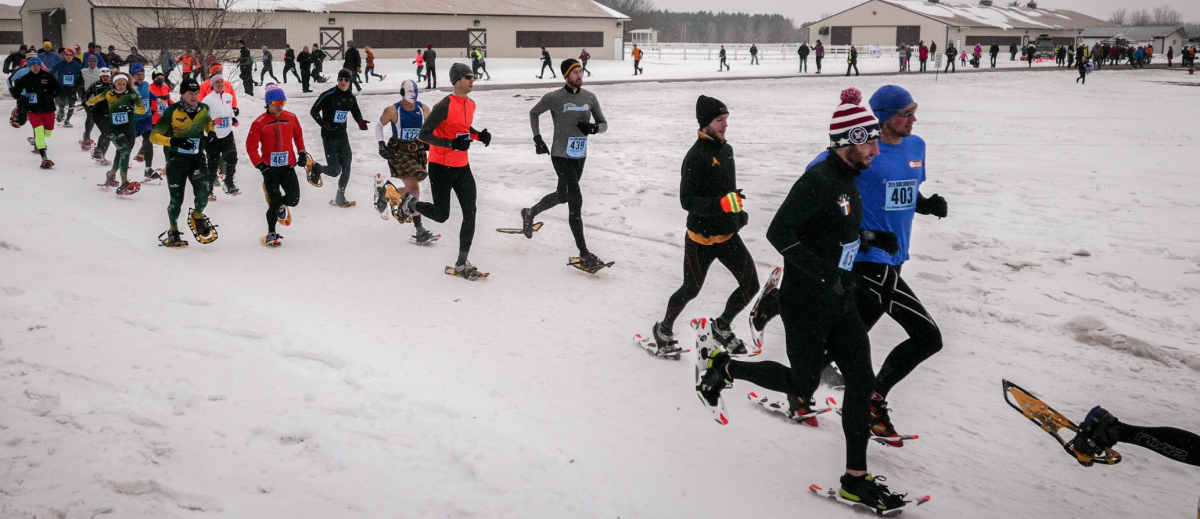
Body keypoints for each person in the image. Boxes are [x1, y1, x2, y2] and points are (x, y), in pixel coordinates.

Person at [695, 87, 908, 515]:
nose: (875, 149)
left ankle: (855, 480)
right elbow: (780, 234)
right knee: (802, 384)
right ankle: (722, 367)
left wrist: (870, 237)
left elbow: (833, 230)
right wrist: (827, 274)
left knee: (861, 382)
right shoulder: (818, 180)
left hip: (841, 298)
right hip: (806, 301)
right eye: (868, 141)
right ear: (848, 142)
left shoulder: (850, 177)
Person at [751, 85, 947, 442]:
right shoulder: (858, 156)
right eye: (906, 112)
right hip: (868, 261)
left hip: (895, 256)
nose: (913, 119)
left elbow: (904, 190)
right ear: (885, 117)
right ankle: (872, 402)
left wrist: (927, 204)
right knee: (927, 337)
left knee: (848, 342)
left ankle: (799, 386)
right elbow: (823, 181)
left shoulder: (916, 148)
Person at [648, 94, 758, 356]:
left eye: (726, 119)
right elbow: (687, 201)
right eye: (719, 120)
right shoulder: (695, 157)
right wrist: (721, 205)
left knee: (751, 285)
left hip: (727, 234)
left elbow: (728, 192)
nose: (725, 124)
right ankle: (663, 329)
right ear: (706, 122)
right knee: (691, 289)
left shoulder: (726, 150)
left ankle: (722, 326)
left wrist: (737, 214)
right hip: (701, 238)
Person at [398, 63, 492, 279]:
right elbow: (424, 134)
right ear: (457, 80)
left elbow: (463, 128)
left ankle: (461, 262)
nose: (472, 80)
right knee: (442, 215)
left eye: (473, 77)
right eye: (469, 77)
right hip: (441, 167)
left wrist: (480, 136)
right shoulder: (444, 105)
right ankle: (411, 204)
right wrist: (450, 144)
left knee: (471, 213)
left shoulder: (471, 104)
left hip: (462, 167)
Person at [519, 58, 609, 269]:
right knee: (575, 199)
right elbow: (533, 113)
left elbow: (604, 124)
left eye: (581, 71)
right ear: (566, 76)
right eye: (575, 72)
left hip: (579, 157)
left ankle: (529, 213)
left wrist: (594, 129)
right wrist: (537, 138)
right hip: (560, 155)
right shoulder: (554, 98)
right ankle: (584, 253)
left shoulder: (590, 97)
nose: (580, 75)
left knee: (562, 196)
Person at [151, 77, 217, 248]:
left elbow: (208, 121)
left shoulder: (204, 109)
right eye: (190, 93)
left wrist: (210, 132)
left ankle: (197, 215)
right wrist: (174, 142)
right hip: (176, 161)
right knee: (176, 200)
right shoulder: (172, 112)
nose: (194, 97)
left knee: (203, 195)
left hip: (197, 159)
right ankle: (173, 231)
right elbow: (154, 136)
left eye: (196, 93)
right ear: (182, 93)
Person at [247, 83, 311, 247]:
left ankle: (281, 204)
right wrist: (261, 165)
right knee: (274, 202)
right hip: (270, 169)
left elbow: (298, 136)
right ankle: (271, 233)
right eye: (276, 103)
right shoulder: (260, 122)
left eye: (283, 102)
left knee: (294, 199)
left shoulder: (291, 117)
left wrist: (302, 152)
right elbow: (251, 146)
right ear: (268, 104)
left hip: (288, 166)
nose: (280, 106)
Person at [375, 79, 436, 244]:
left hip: (418, 151)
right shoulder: (393, 110)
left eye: (415, 94)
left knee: (411, 189)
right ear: (402, 93)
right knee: (415, 189)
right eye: (410, 93)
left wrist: (431, 143)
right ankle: (419, 230)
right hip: (399, 151)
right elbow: (379, 126)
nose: (413, 97)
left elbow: (431, 129)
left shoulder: (424, 109)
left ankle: (386, 192)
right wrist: (381, 145)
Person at [310, 68, 369, 207]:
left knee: (347, 168)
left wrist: (360, 122)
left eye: (346, 80)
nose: (343, 82)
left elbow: (355, 111)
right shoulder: (328, 95)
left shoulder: (350, 97)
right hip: (329, 136)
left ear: (350, 82)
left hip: (342, 136)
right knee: (335, 170)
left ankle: (340, 196)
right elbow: (314, 111)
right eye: (340, 79)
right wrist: (324, 124)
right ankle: (317, 168)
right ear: (337, 80)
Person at [86, 73, 147, 191]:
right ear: (114, 83)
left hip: (129, 128)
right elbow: (97, 98)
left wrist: (131, 109)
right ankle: (124, 182)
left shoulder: (132, 95)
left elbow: (142, 109)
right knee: (124, 150)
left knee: (122, 153)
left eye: (124, 84)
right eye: (119, 84)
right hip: (113, 129)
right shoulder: (108, 93)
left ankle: (111, 175)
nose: (121, 86)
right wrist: (87, 103)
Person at [11, 56, 62, 169]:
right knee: (39, 133)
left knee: (48, 133)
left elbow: (58, 89)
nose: (35, 67)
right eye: (33, 65)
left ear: (40, 66)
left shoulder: (47, 76)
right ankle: (44, 157)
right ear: (30, 66)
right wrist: (21, 98)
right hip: (33, 110)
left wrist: (50, 95)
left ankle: (39, 141)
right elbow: (15, 91)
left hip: (48, 109)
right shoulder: (25, 78)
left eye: (37, 65)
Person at [201, 74, 240, 196]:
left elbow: (229, 110)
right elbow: (201, 119)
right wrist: (212, 122)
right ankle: (208, 189)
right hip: (212, 136)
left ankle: (229, 182)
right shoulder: (207, 100)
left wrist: (233, 119)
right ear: (212, 85)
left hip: (227, 133)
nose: (220, 84)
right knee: (212, 163)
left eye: (221, 81)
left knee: (232, 157)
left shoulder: (228, 97)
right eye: (217, 82)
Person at [128, 63, 161, 182]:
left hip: (146, 119)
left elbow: (149, 94)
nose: (140, 77)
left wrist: (157, 99)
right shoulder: (129, 87)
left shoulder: (146, 85)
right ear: (132, 75)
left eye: (142, 74)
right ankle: (124, 163)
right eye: (138, 74)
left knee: (148, 140)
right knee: (128, 143)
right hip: (134, 120)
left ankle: (148, 168)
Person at [80, 64, 109, 154]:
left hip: (110, 114)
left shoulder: (114, 86)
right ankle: (98, 151)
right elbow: (86, 97)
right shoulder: (95, 85)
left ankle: (102, 155)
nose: (105, 78)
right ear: (100, 76)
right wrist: (87, 105)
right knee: (106, 133)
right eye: (103, 76)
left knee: (108, 135)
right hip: (98, 114)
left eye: (107, 76)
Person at [54, 48, 82, 128]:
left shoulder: (76, 65)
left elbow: (81, 75)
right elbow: (51, 72)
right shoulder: (60, 64)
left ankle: (67, 120)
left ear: (73, 56)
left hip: (72, 88)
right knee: (62, 102)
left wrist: (79, 85)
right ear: (64, 55)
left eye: (70, 55)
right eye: (67, 55)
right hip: (62, 87)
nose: (68, 57)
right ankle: (61, 111)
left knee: (71, 104)